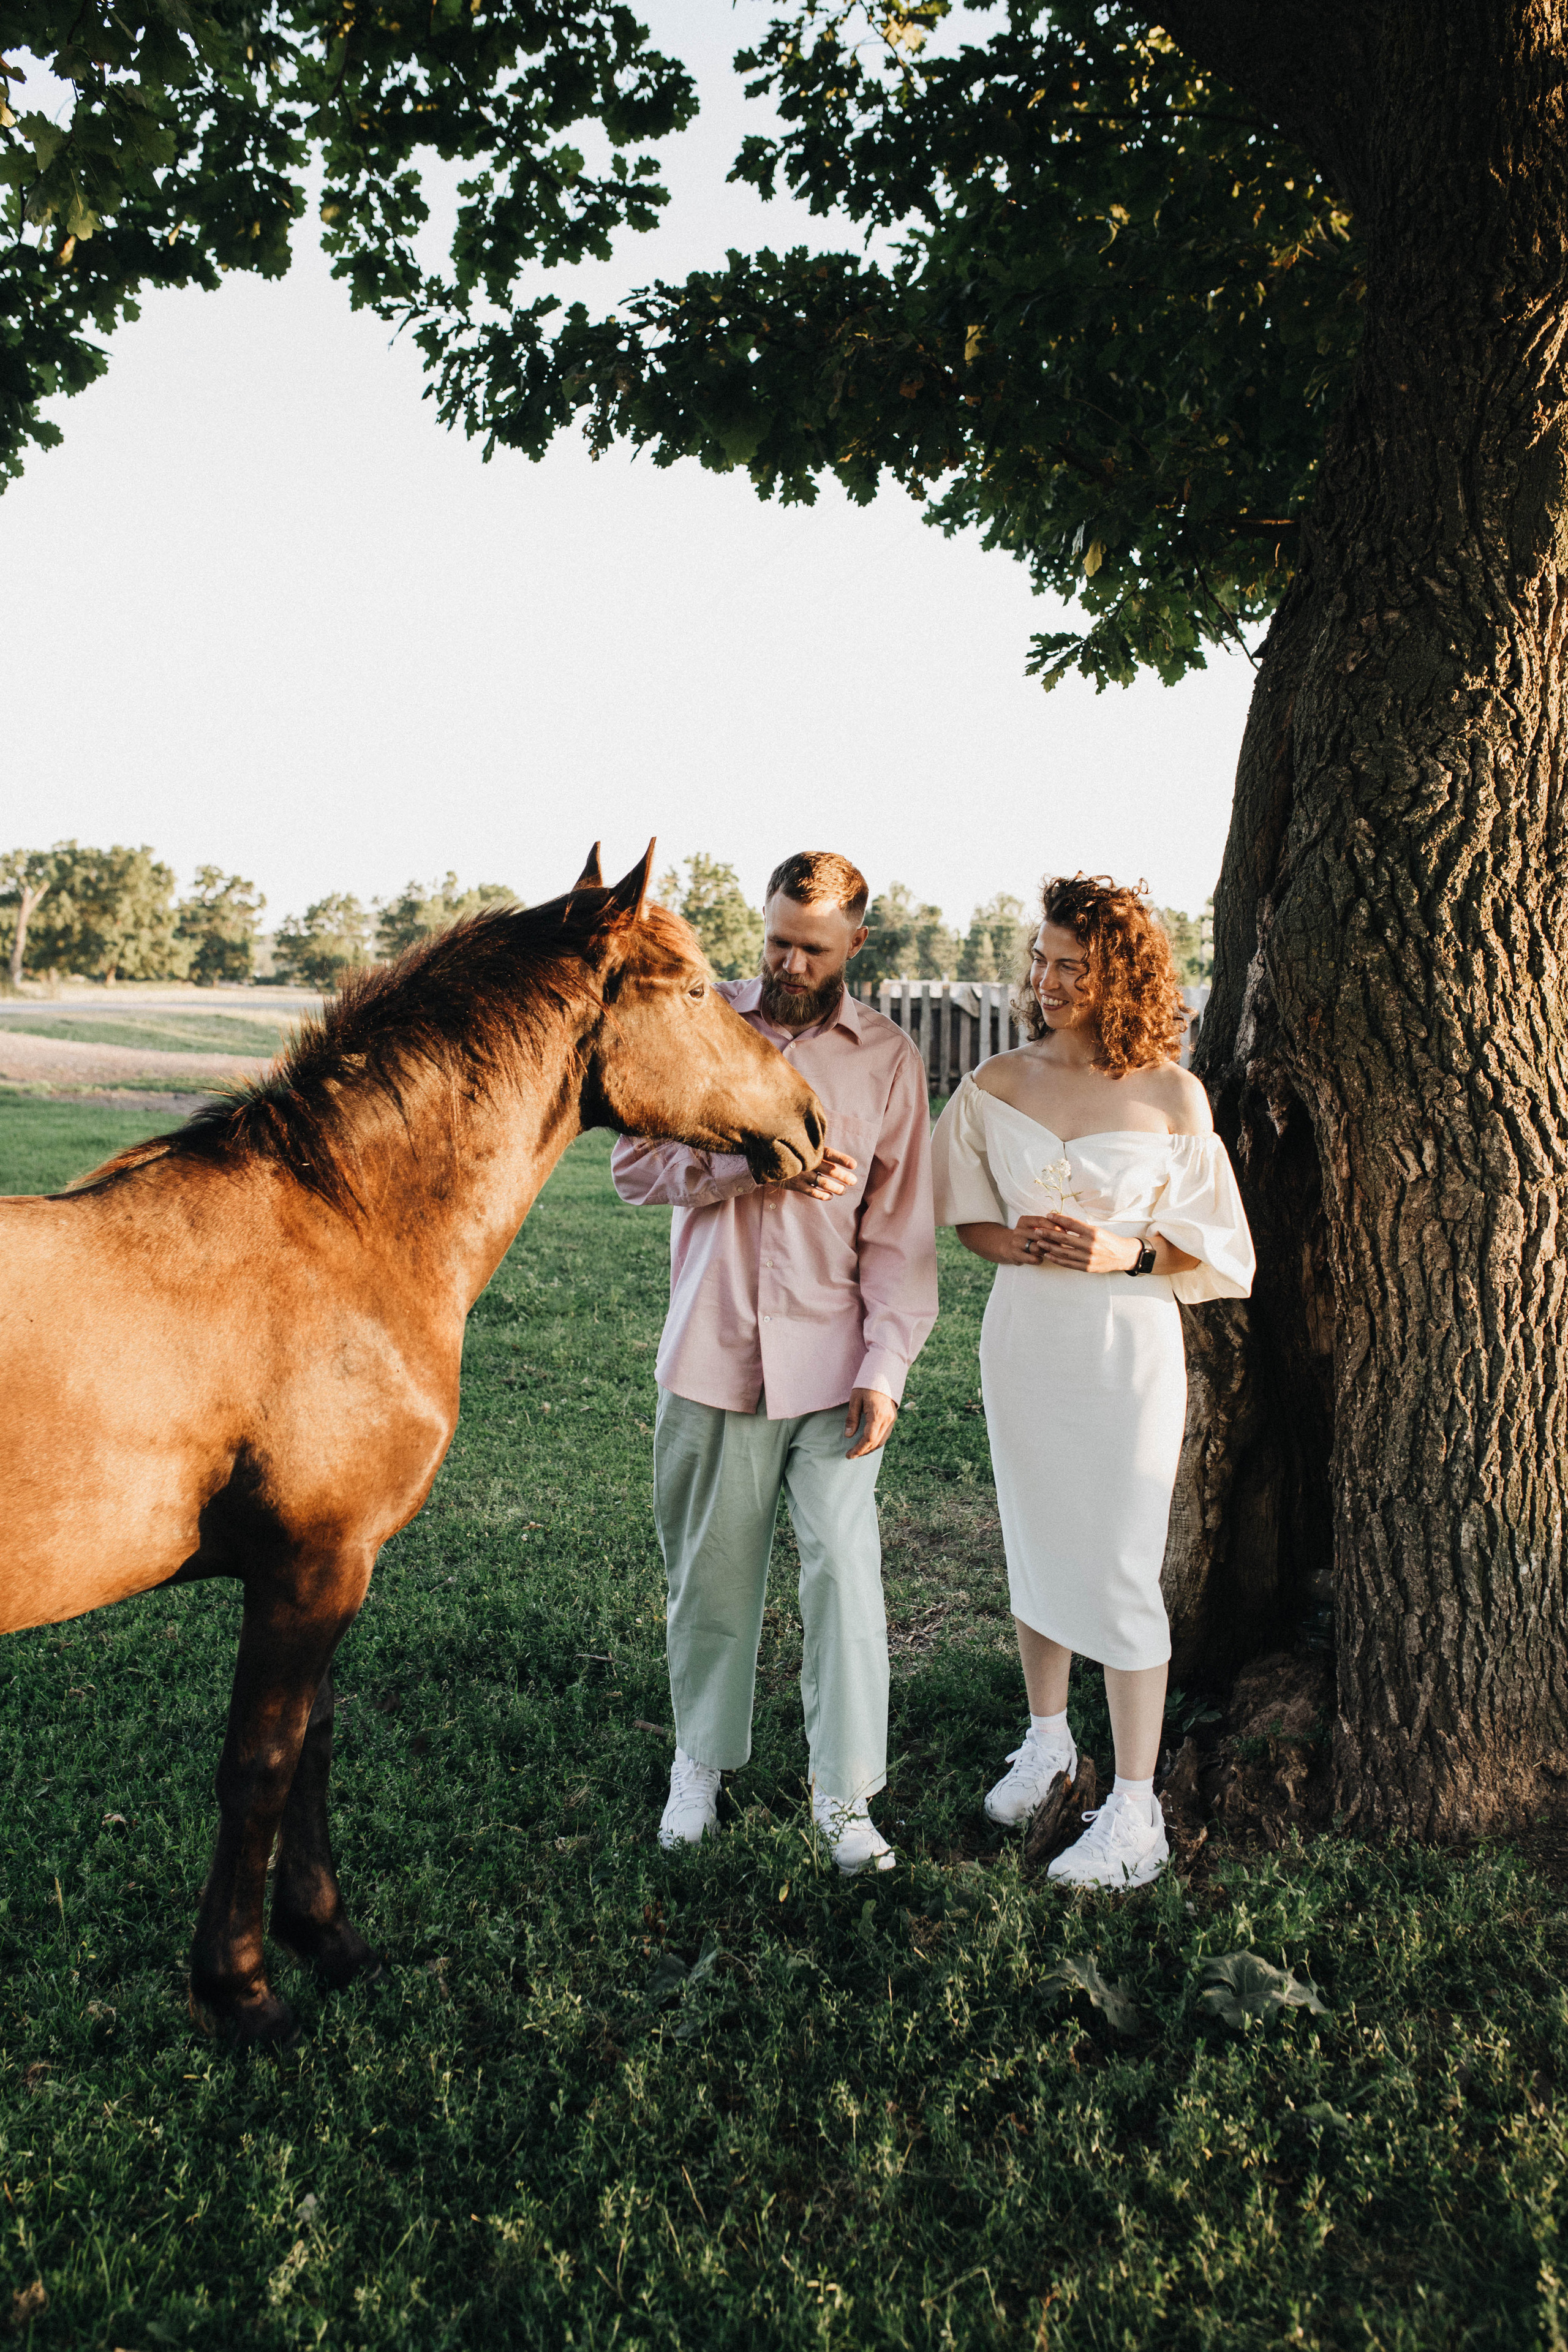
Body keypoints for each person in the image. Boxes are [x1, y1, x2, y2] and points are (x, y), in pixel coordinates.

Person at [612, 851, 938, 1874]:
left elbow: (899, 1237)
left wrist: (886, 1366)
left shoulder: (888, 1059)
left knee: (845, 1573)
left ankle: (845, 1797)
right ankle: (699, 1762)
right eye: (776, 941)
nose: (789, 962)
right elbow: (632, 1168)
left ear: (857, 944)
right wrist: (749, 1169)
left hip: (836, 1368)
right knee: (708, 1579)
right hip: (711, 1355)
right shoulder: (705, 1025)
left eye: (813, 946)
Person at [929, 873, 1254, 1890]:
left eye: (1074, 964)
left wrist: (1126, 1255)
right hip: (1025, 1339)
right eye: (1042, 960)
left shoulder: (1172, 1095)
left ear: (1122, 972)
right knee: (1032, 1539)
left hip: (1127, 1350)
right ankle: (1048, 1742)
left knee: (1118, 1566)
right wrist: (1012, 1239)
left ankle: (1135, 1807)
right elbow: (965, 1216)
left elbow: (1223, 1253)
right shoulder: (994, 1083)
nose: (1050, 979)